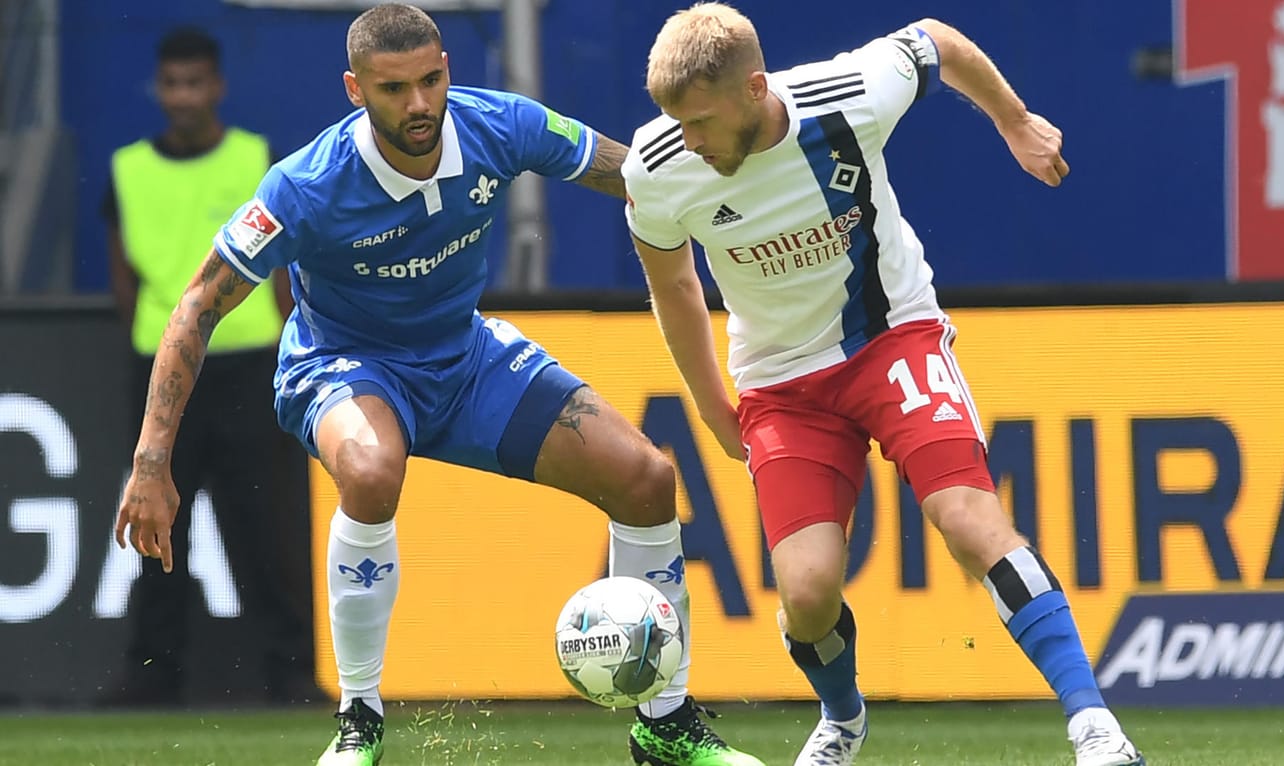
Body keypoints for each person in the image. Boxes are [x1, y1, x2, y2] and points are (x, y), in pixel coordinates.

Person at [113, 5, 764, 766]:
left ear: (448, 67)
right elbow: (196, 306)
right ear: (355, 89)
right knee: (369, 468)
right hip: (343, 363)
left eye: (431, 80)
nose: (419, 105)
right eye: (394, 90)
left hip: (464, 357)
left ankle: (667, 724)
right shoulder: (306, 186)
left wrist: (748, 197)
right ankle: (360, 724)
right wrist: (152, 462)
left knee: (648, 480)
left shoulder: (501, 125)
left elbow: (634, 175)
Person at [622, 5, 1145, 766]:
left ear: (754, 89)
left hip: (890, 340)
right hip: (779, 384)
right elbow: (673, 287)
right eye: (676, 121)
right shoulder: (657, 164)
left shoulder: (846, 95)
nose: (689, 141)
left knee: (967, 519)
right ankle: (843, 719)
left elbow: (937, 39)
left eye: (700, 121)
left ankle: (1096, 728)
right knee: (806, 595)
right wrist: (711, 408)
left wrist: (1015, 119)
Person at [102, 25, 315, 707]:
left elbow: (284, 274)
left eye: (196, 83)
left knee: (272, 530)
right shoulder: (127, 170)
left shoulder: (256, 159)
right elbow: (124, 279)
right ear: (158, 89)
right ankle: (153, 677)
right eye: (172, 84)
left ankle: (290, 673)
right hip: (165, 376)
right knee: (158, 524)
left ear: (217, 87)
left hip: (252, 366)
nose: (184, 97)